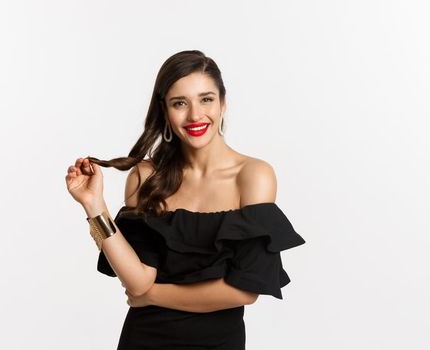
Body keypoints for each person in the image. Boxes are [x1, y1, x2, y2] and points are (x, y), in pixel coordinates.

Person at [64, 50, 306, 350]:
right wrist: (94, 207)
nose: (195, 115)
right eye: (180, 103)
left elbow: (244, 291)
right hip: (144, 340)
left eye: (206, 99)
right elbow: (137, 282)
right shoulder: (145, 176)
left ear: (223, 103)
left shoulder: (254, 175)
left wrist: (153, 296)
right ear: (165, 110)